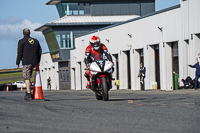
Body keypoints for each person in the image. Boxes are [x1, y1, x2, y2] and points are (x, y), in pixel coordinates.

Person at [16, 28, 42, 101]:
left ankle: (28, 93)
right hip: (35, 61)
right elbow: (40, 51)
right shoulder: (36, 41)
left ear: (23, 33)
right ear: (29, 33)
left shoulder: (21, 41)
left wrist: (17, 62)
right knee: (31, 76)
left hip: (27, 62)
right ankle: (32, 91)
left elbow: (19, 53)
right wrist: (38, 60)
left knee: (27, 78)